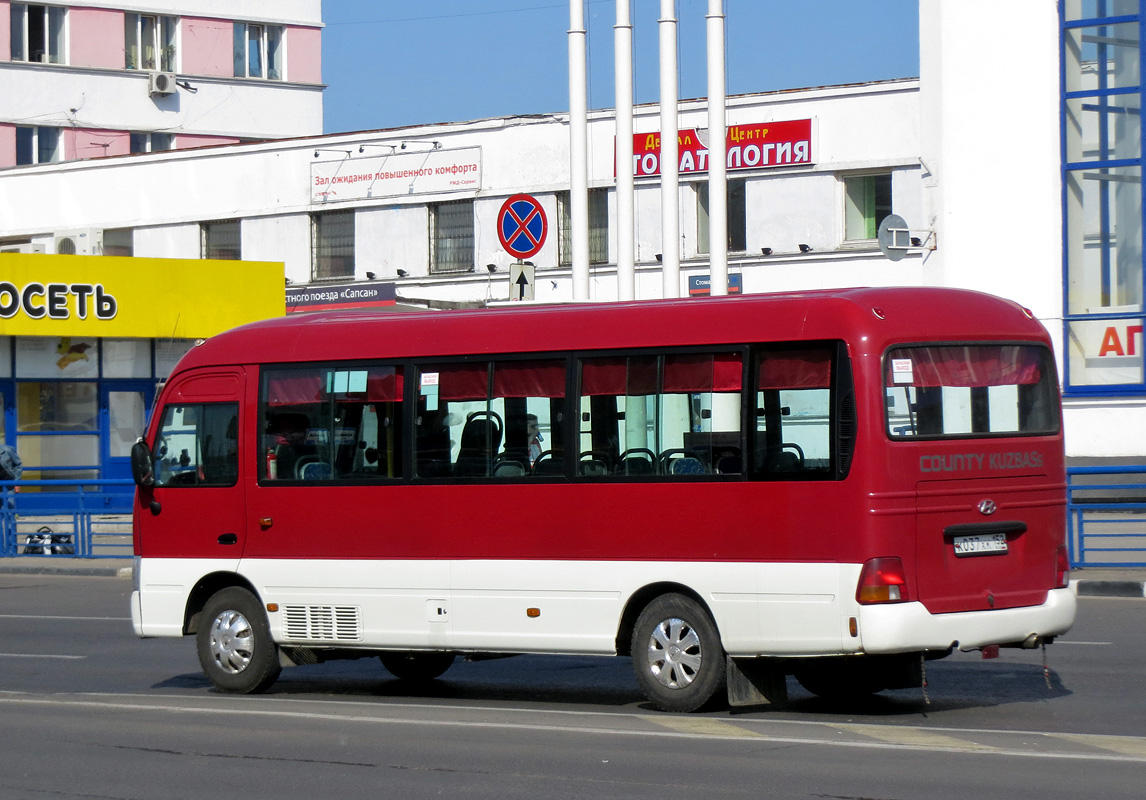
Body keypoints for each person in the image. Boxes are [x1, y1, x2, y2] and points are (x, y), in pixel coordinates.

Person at [0, 442, 22, 510]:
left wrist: (16, 483)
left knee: (8, 509)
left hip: (9, 484)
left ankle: (11, 520)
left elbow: (18, 465)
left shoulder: (7, 450)